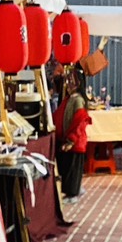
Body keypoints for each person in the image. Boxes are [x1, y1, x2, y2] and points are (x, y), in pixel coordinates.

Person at [54, 69, 91, 201]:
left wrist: (71, 140)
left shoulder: (78, 100)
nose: (68, 84)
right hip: (68, 139)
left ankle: (73, 194)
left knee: (73, 169)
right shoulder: (69, 99)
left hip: (75, 142)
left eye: (71, 81)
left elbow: (80, 122)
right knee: (69, 167)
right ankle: (74, 189)